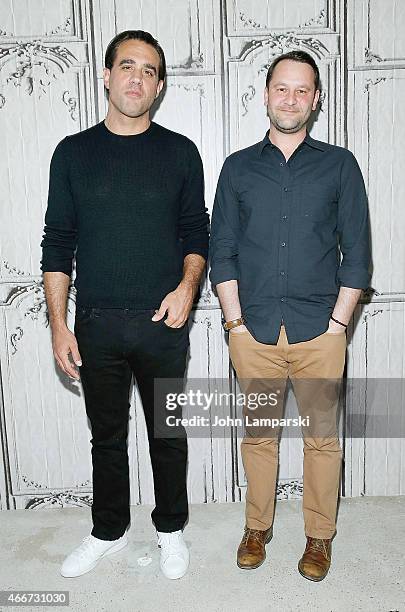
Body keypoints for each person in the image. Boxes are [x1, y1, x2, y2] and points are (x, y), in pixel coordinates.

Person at [41, 29, 209, 580]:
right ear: (107, 75)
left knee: (167, 432)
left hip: (164, 322)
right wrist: (58, 324)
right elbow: (57, 241)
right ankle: (108, 531)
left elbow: (195, 233)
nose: (138, 78)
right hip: (95, 324)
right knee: (106, 436)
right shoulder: (72, 154)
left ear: (158, 86)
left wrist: (187, 289)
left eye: (150, 71)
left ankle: (170, 531)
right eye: (128, 66)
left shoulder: (181, 153)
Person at [210, 50, 370, 581]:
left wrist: (339, 325)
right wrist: (234, 324)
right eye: (283, 88)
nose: (291, 98)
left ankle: (319, 538)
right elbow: (223, 250)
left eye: (303, 90)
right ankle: (257, 527)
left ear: (316, 99)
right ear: (265, 94)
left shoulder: (340, 165)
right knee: (258, 437)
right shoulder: (237, 168)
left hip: (320, 333)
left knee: (322, 439)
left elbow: (359, 255)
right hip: (252, 332)